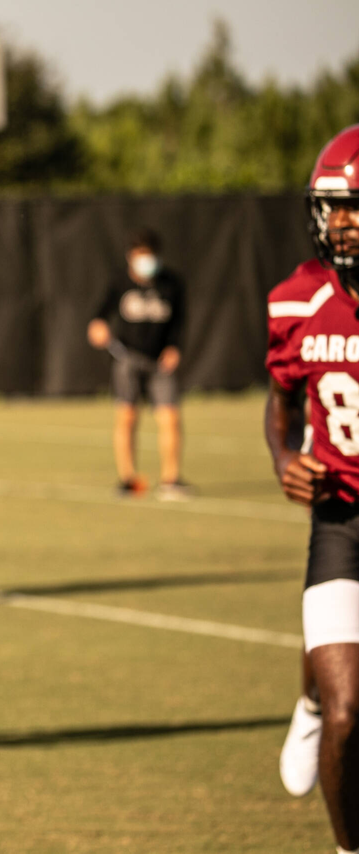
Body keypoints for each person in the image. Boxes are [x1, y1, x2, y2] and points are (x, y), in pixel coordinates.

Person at [266, 123, 359, 854]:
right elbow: (283, 406)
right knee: (348, 710)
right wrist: (282, 458)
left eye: (354, 207)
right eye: (333, 207)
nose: (341, 222)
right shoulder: (296, 299)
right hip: (341, 518)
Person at [87, 228, 188, 499]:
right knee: (127, 416)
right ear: (130, 256)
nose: (146, 261)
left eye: (150, 255)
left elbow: (180, 323)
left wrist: (175, 348)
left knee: (170, 417)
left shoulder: (171, 284)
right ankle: (128, 478)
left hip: (160, 362)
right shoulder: (119, 281)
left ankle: (171, 480)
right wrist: (98, 327)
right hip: (127, 358)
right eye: (140, 255)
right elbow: (99, 316)